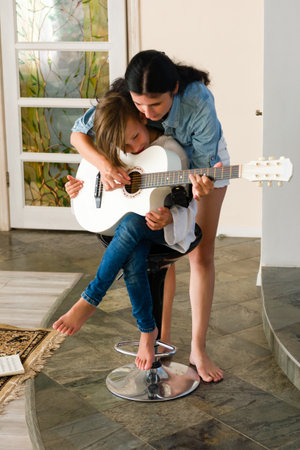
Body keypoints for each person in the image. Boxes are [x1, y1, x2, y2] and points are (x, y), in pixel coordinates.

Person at [69, 50, 229, 382]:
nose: (146, 113)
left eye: (154, 106)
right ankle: (160, 339)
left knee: (200, 255)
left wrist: (198, 189)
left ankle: (198, 348)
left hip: (199, 168)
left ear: (173, 88)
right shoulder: (127, 101)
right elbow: (80, 134)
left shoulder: (197, 101)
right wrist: (105, 167)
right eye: (139, 105)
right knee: (153, 250)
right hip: (147, 167)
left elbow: (200, 171)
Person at [53, 90, 199, 371]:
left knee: (133, 224)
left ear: (141, 117)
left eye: (135, 137)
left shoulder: (172, 152)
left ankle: (91, 298)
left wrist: (169, 218)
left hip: (165, 230)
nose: (133, 148)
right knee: (133, 245)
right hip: (133, 231)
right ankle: (148, 331)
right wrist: (78, 191)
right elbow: (96, 176)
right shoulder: (117, 152)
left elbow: (186, 206)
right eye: (124, 145)